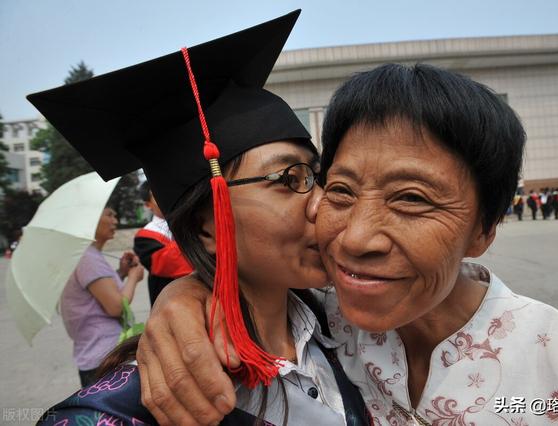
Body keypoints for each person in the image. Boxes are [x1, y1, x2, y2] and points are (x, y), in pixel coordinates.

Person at [136, 64, 558, 424]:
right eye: (340, 190)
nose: (353, 237)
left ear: (485, 229)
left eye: (412, 199)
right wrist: (188, 294)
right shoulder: (325, 323)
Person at [31, 11, 369, 426]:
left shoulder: (351, 326)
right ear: (207, 225)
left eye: (316, 176)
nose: (320, 203)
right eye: (289, 178)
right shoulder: (124, 411)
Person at [59, 204, 145, 387]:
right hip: (104, 355)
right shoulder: (87, 258)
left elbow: (98, 293)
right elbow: (116, 307)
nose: (115, 220)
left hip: (97, 353)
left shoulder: (88, 254)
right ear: (91, 219)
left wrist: (121, 273)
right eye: (109, 214)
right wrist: (133, 278)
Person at [133, 180, 192, 306]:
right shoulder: (144, 236)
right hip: (170, 303)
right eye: (158, 195)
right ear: (148, 204)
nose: (167, 197)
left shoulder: (191, 223)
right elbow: (169, 264)